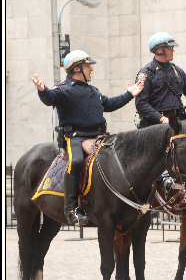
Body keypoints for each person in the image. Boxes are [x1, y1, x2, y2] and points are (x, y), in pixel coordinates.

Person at [32, 49, 145, 225]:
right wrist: (42, 90)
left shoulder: (94, 91)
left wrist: (130, 94)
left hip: (100, 137)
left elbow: (110, 104)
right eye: (88, 66)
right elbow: (49, 98)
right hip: (75, 138)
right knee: (76, 161)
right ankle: (71, 209)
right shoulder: (63, 90)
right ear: (77, 69)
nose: (91, 69)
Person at [135, 31, 186, 127]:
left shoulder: (177, 71)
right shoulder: (146, 73)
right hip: (155, 126)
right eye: (170, 48)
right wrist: (161, 119)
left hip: (179, 121)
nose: (173, 51)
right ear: (159, 51)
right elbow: (141, 104)